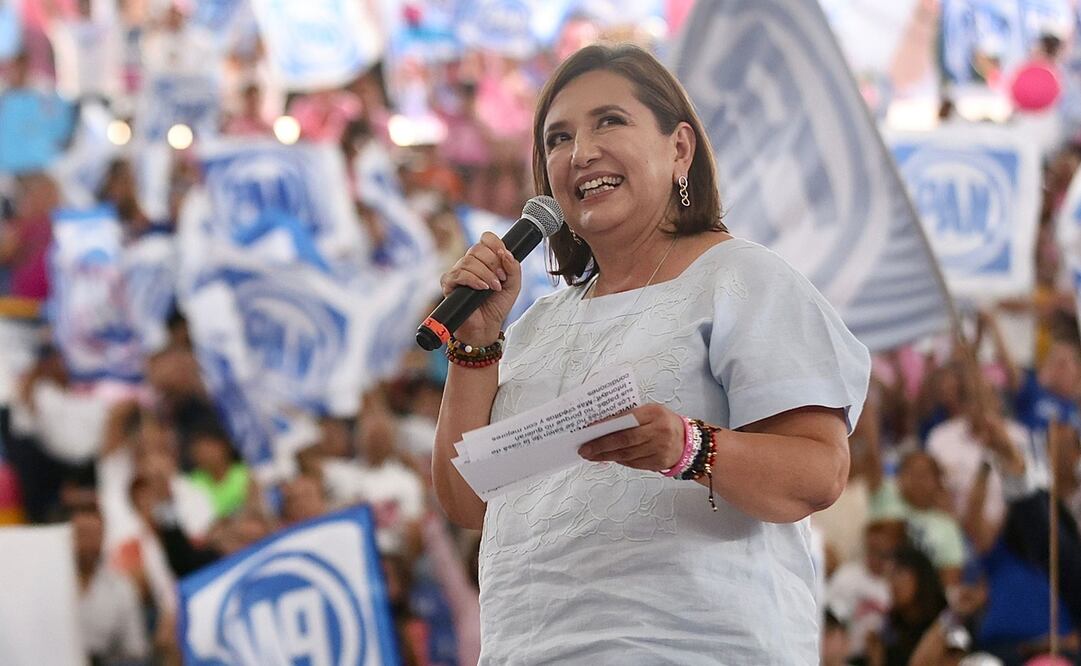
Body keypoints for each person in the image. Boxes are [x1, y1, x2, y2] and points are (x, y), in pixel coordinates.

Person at [431, 43, 870, 663]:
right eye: (557, 139)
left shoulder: (740, 279)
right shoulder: (536, 325)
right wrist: (475, 346)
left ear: (679, 149)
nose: (580, 152)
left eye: (609, 121)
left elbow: (818, 474)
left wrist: (689, 447)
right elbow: (467, 500)